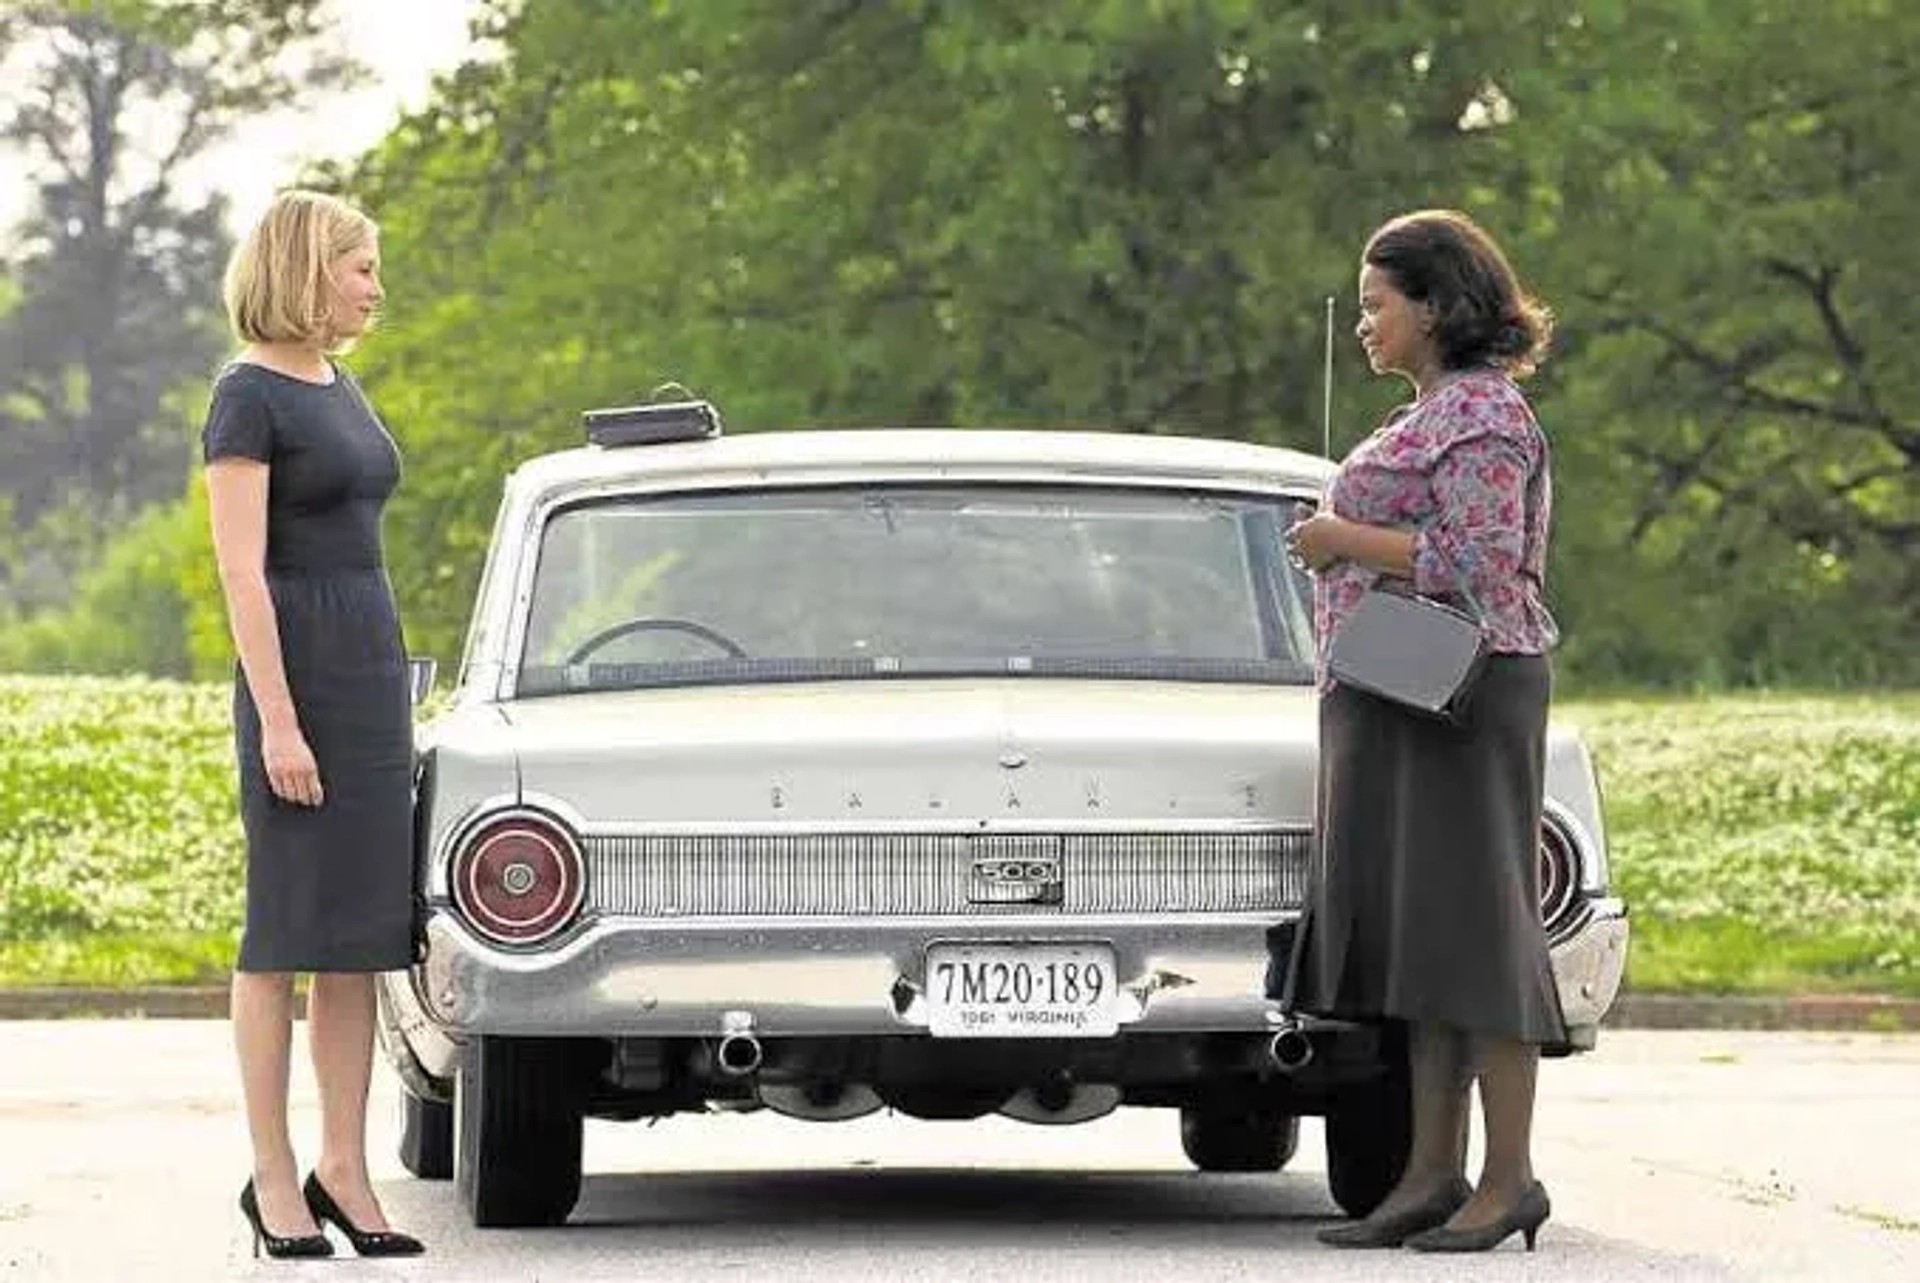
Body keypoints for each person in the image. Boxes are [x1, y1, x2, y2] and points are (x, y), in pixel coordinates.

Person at [1284, 209, 1562, 1253]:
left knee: (1480, 931)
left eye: (1376, 304)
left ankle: (1509, 1174)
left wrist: (1340, 538)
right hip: (1400, 696)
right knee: (1424, 937)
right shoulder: (1429, 412)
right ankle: (1429, 1170)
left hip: (1465, 694)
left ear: (1437, 306)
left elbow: (1485, 561)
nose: (1364, 325)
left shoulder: (1485, 415)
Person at [203, 189, 424, 1260]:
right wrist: (281, 722)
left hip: (373, 680)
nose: (376, 288)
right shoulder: (246, 398)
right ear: (305, 267)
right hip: (299, 689)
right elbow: (242, 575)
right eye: (361, 268)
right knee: (285, 932)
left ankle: (347, 1163)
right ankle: (276, 1175)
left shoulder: (340, 382)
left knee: (362, 939)